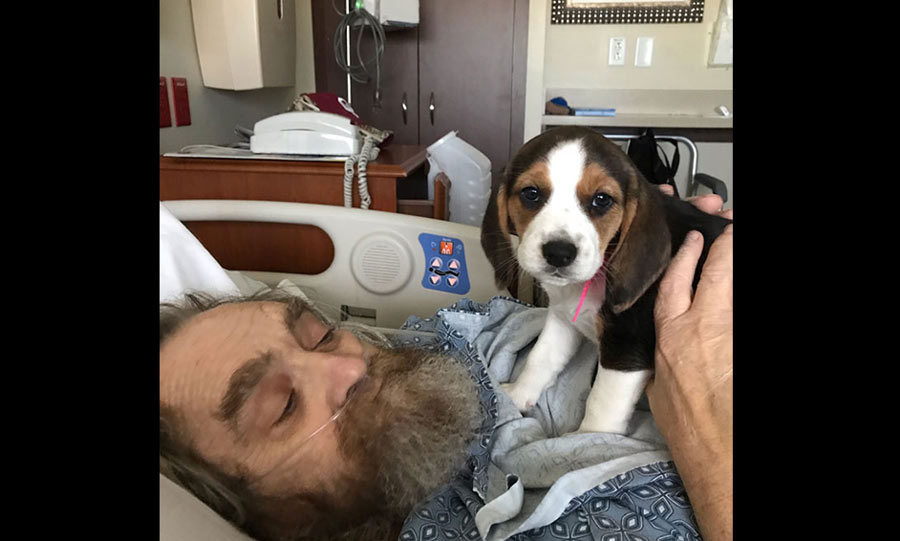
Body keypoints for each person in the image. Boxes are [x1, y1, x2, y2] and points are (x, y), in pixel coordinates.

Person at [160, 194, 732, 541]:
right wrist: (713, 447)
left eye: (323, 335)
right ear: (262, 520)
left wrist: (619, 235)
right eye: (283, 406)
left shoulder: (441, 342)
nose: (350, 366)